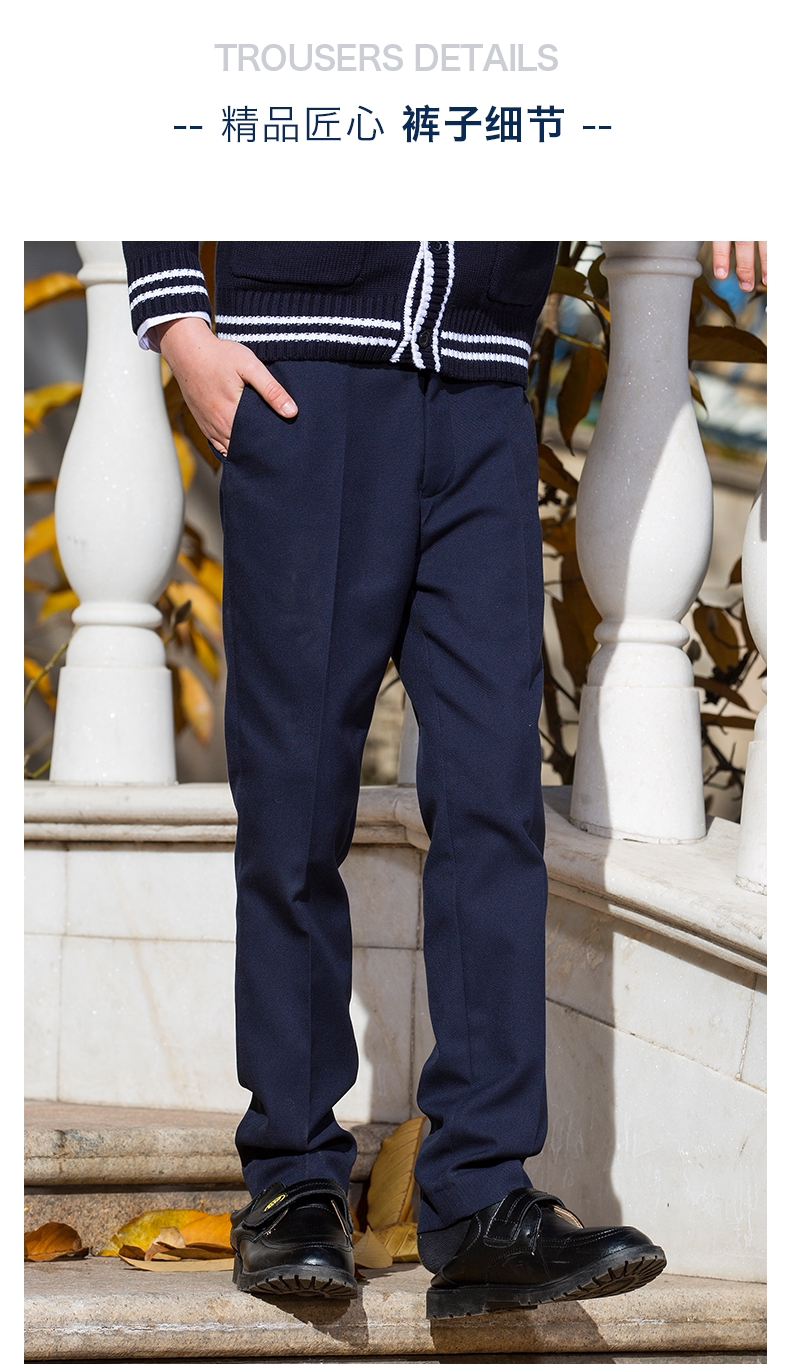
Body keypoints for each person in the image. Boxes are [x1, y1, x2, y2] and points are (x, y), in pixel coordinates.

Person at [122, 239, 763, 1319]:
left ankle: (478, 1196)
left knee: (492, 804)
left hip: (481, 387)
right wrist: (178, 322)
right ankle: (291, 1179)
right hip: (306, 379)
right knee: (294, 802)